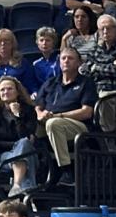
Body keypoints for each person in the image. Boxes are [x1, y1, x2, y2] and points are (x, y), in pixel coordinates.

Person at [34, 46, 96, 186]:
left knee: (53, 124)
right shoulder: (51, 82)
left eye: (70, 58)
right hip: (50, 120)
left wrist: (59, 116)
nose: (66, 61)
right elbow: (38, 105)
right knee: (31, 126)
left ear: (79, 63)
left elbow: (87, 112)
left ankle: (67, 170)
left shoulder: (86, 83)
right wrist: (40, 114)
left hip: (78, 126)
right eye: (63, 58)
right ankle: (41, 169)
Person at [81, 14, 116, 131]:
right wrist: (112, 65)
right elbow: (85, 72)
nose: (105, 31)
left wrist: (96, 68)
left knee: (104, 99)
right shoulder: (95, 50)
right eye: (102, 29)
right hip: (97, 91)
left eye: (109, 28)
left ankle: (109, 141)